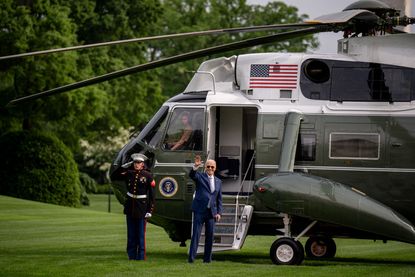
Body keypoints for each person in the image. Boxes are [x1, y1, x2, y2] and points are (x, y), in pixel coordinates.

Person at [188, 155, 222, 263]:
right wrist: (195, 166)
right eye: (208, 167)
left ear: (215, 168)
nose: (210, 169)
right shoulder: (200, 176)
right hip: (199, 210)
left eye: (212, 167)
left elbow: (219, 199)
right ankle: (191, 259)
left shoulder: (218, 181)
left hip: (211, 212)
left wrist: (219, 212)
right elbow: (192, 175)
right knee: (196, 235)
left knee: (210, 236)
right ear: (205, 167)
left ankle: (207, 259)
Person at [121, 153, 155, 260]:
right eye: (135, 162)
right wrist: (126, 165)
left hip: (141, 207)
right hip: (130, 206)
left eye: (139, 163)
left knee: (140, 234)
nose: (136, 164)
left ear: (142, 164)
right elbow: (115, 175)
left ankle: (140, 255)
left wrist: (150, 209)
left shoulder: (148, 176)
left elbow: (152, 195)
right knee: (131, 233)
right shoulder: (129, 173)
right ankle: (131, 255)